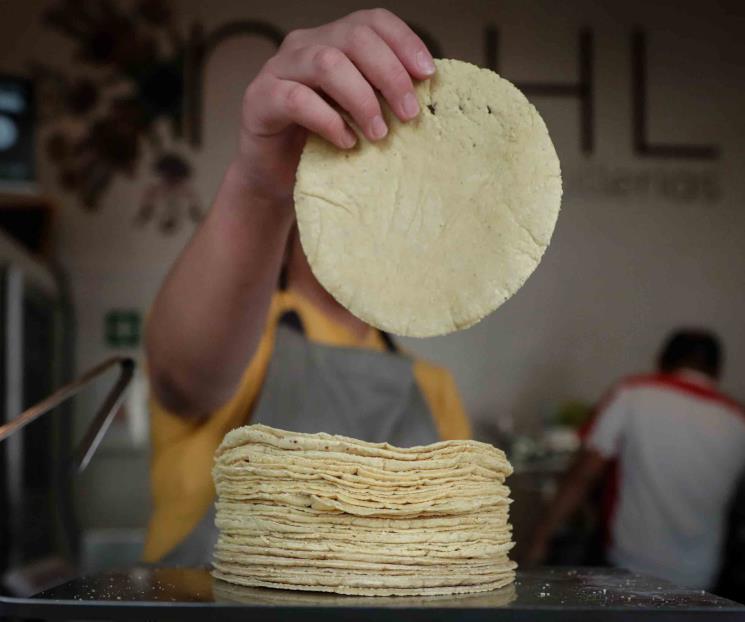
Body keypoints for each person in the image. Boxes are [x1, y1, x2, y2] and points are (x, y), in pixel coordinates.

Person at [142, 9, 471, 565]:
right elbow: (183, 380)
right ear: (303, 211)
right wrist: (259, 186)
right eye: (353, 192)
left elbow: (452, 555)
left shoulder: (432, 385)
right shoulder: (247, 333)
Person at [525, 329, 745, 589]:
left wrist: (538, 541)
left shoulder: (632, 394)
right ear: (716, 371)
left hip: (626, 567)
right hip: (701, 578)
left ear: (662, 361)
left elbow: (583, 475)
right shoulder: (737, 419)